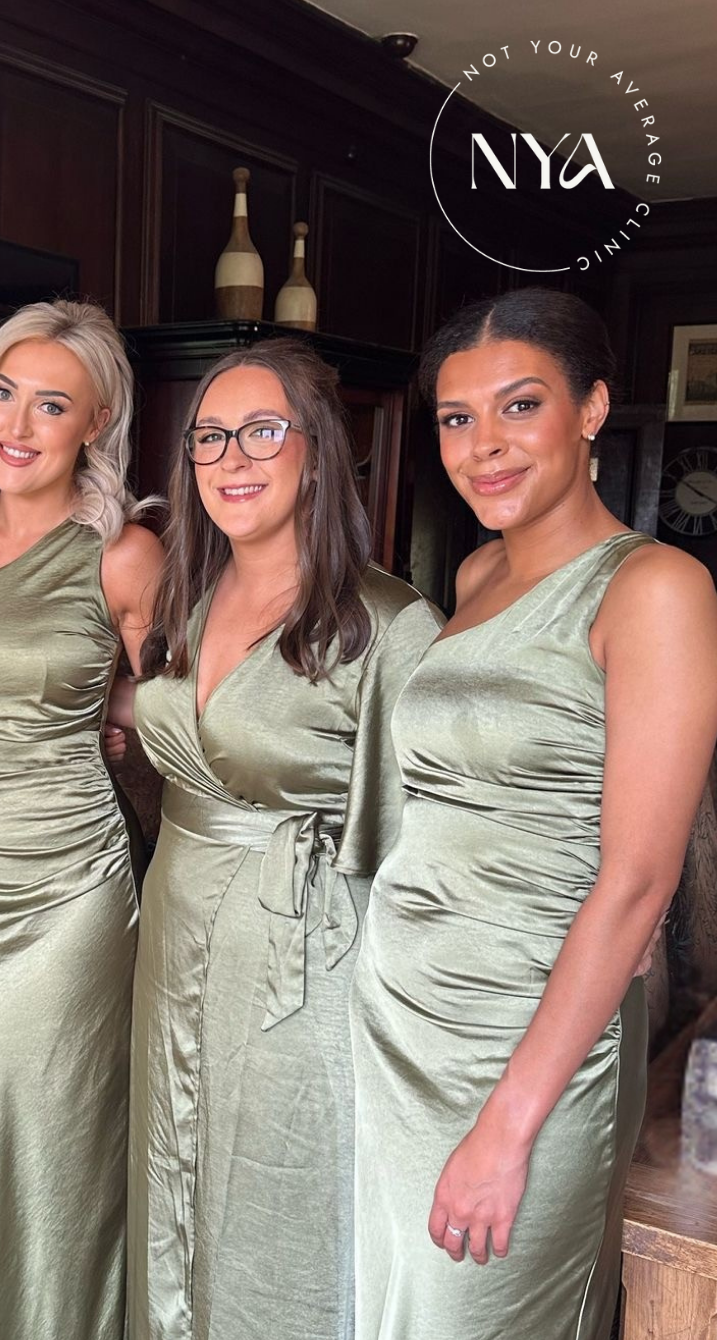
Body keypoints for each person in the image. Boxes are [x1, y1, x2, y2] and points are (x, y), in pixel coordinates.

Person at [351, 287, 717, 1340]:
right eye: (458, 419)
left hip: (526, 1041)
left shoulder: (655, 588)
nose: (484, 446)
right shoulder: (476, 572)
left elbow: (639, 881)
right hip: (402, 1017)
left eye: (520, 407)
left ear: (593, 408)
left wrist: (509, 1128)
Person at [107, 337, 442, 1340]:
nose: (232, 459)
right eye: (210, 437)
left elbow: (422, 848)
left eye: (262, 431)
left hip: (310, 949)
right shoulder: (185, 600)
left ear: (318, 450)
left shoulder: (390, 624)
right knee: (173, 1180)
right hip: (173, 928)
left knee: (284, 1198)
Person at [0, 299, 163, 1340]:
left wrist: (111, 721)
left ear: (95, 423)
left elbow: (183, 721)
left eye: (51, 404)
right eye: (3, 392)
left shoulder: (124, 555)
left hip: (74, 898)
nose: (17, 423)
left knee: (59, 1139)